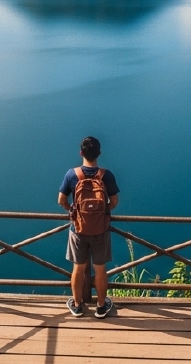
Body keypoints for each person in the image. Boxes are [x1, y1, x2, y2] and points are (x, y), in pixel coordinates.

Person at [58, 136, 119, 319]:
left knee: (78, 267)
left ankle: (77, 306)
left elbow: (61, 200)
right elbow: (114, 201)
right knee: (100, 268)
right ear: (99, 153)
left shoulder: (72, 174)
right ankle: (101, 306)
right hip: (100, 230)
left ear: (81, 153)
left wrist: (74, 211)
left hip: (78, 229)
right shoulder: (106, 175)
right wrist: (101, 214)